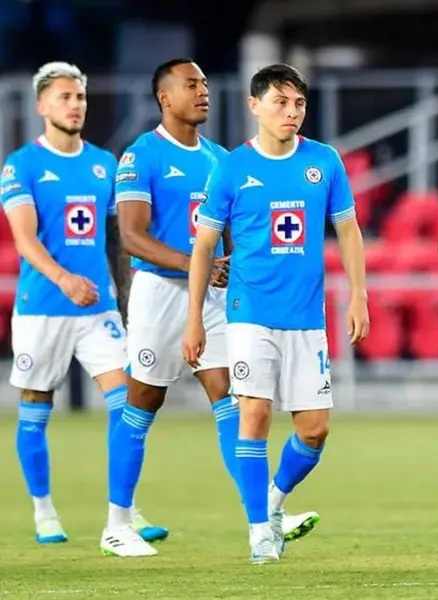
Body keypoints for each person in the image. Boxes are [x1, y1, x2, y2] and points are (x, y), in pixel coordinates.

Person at [110, 58, 319, 557]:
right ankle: (117, 522)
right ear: (165, 97)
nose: (203, 92)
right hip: (160, 293)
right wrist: (193, 264)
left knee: (231, 395)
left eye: (205, 84)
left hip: (211, 296)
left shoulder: (219, 159)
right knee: (142, 402)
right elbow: (132, 238)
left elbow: (232, 237)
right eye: (191, 85)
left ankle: (262, 513)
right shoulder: (142, 156)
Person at [182, 63, 369, 563]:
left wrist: (359, 295)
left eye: (299, 104)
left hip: (307, 318)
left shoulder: (324, 162)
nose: (292, 112)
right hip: (249, 312)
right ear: (254, 106)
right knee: (256, 412)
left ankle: (270, 503)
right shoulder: (231, 169)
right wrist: (196, 317)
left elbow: (348, 231)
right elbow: (203, 248)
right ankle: (259, 531)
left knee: (314, 430)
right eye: (281, 103)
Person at [0, 61, 165, 548]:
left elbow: (116, 239)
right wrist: (64, 279)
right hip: (42, 307)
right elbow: (25, 240)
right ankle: (43, 510)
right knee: (35, 407)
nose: (75, 105)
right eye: (65, 97)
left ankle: (125, 508)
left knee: (127, 403)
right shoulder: (22, 165)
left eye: (81, 97)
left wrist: (126, 297)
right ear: (42, 106)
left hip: (98, 311)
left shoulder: (104, 165)